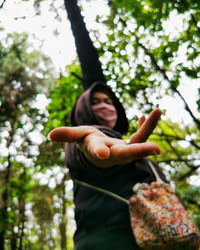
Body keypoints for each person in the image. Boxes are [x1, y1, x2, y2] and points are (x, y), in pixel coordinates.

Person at [48, 82, 167, 250]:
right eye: (95, 102)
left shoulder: (131, 146)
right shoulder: (80, 141)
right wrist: (98, 154)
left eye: (108, 102)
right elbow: (85, 152)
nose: (103, 105)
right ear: (83, 108)